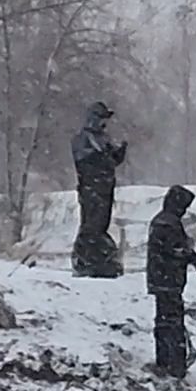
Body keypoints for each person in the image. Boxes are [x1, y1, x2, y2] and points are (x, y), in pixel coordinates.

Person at [147, 185, 196, 379]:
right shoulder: (169, 223)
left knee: (163, 321)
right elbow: (176, 250)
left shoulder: (161, 220)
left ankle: (163, 361)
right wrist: (195, 258)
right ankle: (176, 365)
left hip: (159, 280)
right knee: (173, 323)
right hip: (170, 280)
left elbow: (173, 249)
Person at [71, 101, 128, 278]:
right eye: (102, 118)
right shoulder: (82, 138)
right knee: (91, 224)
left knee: (101, 222)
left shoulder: (103, 138)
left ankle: (98, 258)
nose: (104, 123)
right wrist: (101, 157)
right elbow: (84, 159)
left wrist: (119, 152)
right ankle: (87, 258)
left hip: (105, 186)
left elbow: (111, 160)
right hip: (91, 188)